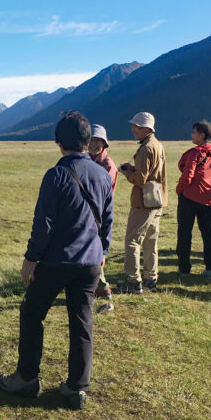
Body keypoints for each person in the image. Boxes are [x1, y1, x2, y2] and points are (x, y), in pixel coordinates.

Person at [0, 111, 113, 410]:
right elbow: (108, 219)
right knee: (82, 322)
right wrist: (103, 253)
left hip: (55, 261)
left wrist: (31, 258)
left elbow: (44, 223)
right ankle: (77, 388)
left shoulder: (57, 174)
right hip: (90, 261)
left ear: (58, 141)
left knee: (32, 313)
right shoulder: (102, 174)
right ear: (89, 141)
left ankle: (26, 378)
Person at [116, 112, 167, 294]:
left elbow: (140, 179)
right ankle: (150, 279)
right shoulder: (157, 145)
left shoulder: (145, 148)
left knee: (132, 241)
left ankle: (133, 281)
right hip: (156, 200)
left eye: (136, 126)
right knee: (150, 242)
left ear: (146, 129)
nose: (133, 129)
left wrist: (126, 173)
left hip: (143, 202)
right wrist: (133, 169)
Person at [175, 120, 211, 280]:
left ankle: (184, 268)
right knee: (209, 234)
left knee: (184, 233)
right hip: (208, 199)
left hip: (189, 197)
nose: (192, 134)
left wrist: (179, 189)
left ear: (202, 135)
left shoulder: (195, 153)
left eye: (194, 131)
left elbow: (188, 174)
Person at [88, 124, 116, 310]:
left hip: (97, 214)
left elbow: (104, 194)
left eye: (97, 140)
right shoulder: (88, 160)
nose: (93, 144)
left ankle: (102, 288)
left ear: (104, 144)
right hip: (88, 212)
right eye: (91, 139)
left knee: (96, 250)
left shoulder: (108, 166)